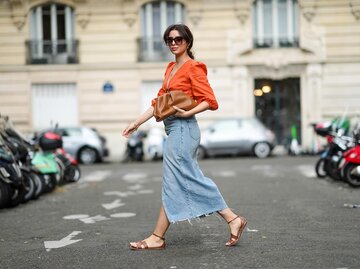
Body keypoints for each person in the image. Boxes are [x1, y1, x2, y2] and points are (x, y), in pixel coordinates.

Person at [122, 24, 247, 250]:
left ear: (188, 42)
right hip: (174, 130)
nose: (173, 43)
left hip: (183, 130)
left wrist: (188, 112)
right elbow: (159, 102)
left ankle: (231, 218)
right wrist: (136, 122)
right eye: (169, 40)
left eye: (178, 39)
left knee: (184, 180)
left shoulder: (193, 67)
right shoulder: (171, 68)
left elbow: (210, 100)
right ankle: (158, 237)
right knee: (175, 182)